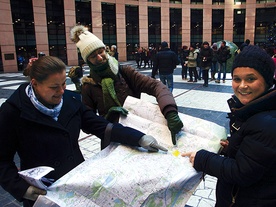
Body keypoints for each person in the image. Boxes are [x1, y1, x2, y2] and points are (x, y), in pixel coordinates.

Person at [0, 56, 168, 207]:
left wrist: (139, 138)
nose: (61, 91)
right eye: (54, 87)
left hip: (76, 184)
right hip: (42, 192)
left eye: (64, 84)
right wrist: (21, 189)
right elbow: (2, 160)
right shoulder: (12, 111)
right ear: (35, 84)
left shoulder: (71, 101)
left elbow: (101, 126)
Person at [182, 45, 276, 207]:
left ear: (267, 81)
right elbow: (256, 155)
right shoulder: (250, 110)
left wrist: (202, 159)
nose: (242, 86)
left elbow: (242, 172)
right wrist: (232, 147)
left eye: (251, 79)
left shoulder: (267, 122)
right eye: (237, 79)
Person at [70, 25, 183, 146]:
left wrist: (170, 111)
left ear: (105, 50)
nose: (99, 57)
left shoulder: (124, 72)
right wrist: (109, 118)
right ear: (87, 61)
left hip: (139, 134)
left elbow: (156, 86)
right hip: (112, 139)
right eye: (92, 56)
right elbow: (88, 123)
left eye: (100, 51)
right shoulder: (89, 85)